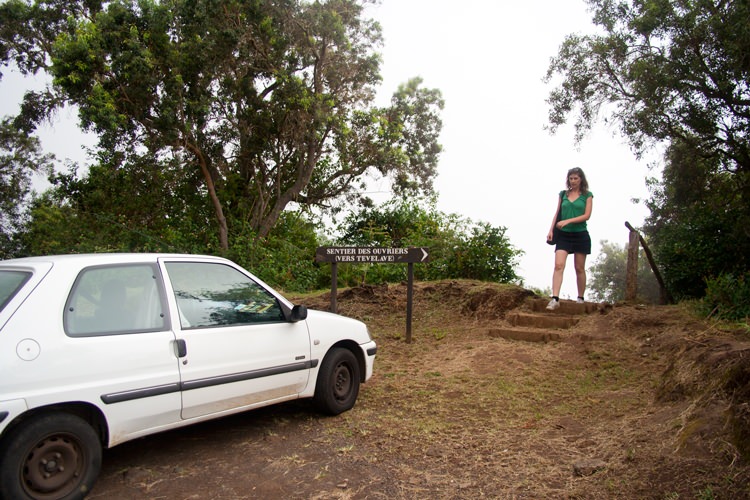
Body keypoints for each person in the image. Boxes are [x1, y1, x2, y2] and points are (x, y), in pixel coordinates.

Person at [546, 167, 594, 310]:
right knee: (558, 265)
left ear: (581, 180)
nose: (573, 181)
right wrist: (551, 229)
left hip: (580, 234)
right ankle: (555, 298)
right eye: (571, 178)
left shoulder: (588, 195)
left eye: (576, 178)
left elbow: (587, 216)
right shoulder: (563, 194)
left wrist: (568, 221)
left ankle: (580, 298)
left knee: (579, 268)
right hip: (563, 235)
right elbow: (557, 213)